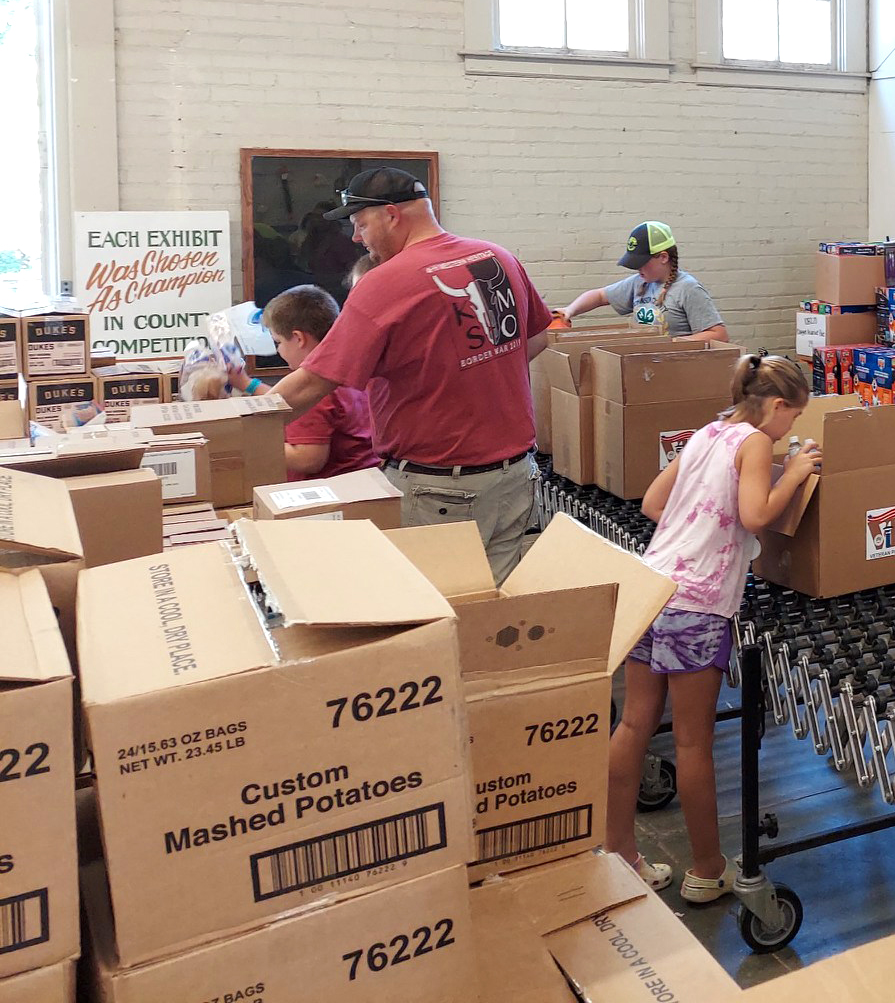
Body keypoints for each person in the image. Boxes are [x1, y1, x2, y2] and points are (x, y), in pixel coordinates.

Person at [269, 167, 553, 582]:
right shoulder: (496, 257)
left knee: (437, 611)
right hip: (514, 477)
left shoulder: (387, 282)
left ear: (391, 215)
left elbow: (313, 381)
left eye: (359, 223)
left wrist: (237, 427)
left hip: (440, 490)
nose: (355, 238)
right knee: (491, 605)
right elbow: (536, 341)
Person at [606, 354, 821, 898]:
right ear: (775, 406)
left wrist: (696, 524)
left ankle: (620, 853)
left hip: (651, 588)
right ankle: (706, 870)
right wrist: (792, 473)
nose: (789, 430)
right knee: (693, 743)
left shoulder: (707, 431)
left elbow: (654, 502)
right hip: (699, 606)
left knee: (633, 726)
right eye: (792, 419)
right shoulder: (754, 442)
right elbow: (755, 515)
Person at [262, 285, 378, 481]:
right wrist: (245, 383)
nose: (279, 351)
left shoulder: (313, 390)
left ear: (298, 338)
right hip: (364, 482)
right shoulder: (349, 369)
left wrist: (251, 443)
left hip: (331, 495)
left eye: (278, 342)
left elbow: (308, 459)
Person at [556, 221, 728, 342]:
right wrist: (570, 310)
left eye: (642, 263)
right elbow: (600, 295)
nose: (638, 269)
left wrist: (674, 343)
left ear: (663, 257)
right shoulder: (639, 283)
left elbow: (719, 335)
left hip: (678, 368)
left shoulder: (688, 289)